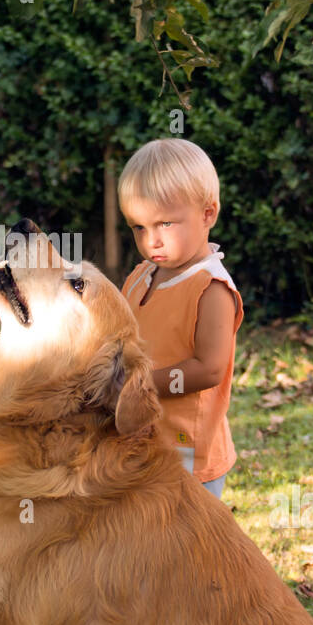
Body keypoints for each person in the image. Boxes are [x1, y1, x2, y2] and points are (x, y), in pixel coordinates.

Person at [118, 138, 243, 499]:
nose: (150, 241)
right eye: (138, 227)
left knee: (182, 546)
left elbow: (209, 370)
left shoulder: (211, 288)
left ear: (208, 214)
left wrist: (138, 386)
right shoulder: (143, 275)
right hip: (141, 437)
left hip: (187, 450)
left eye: (164, 224)